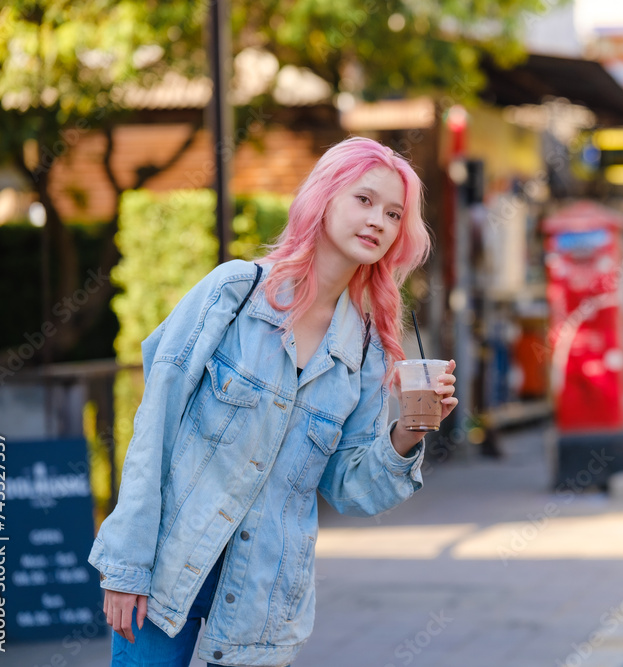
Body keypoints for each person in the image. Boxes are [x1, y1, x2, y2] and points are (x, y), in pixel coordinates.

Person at [88, 136, 458, 667]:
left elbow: (351, 489)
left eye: (395, 213)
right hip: (165, 577)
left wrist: (411, 429)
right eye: (364, 200)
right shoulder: (232, 295)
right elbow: (155, 429)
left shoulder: (366, 350)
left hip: (260, 605)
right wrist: (127, 566)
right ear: (324, 198)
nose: (379, 220)